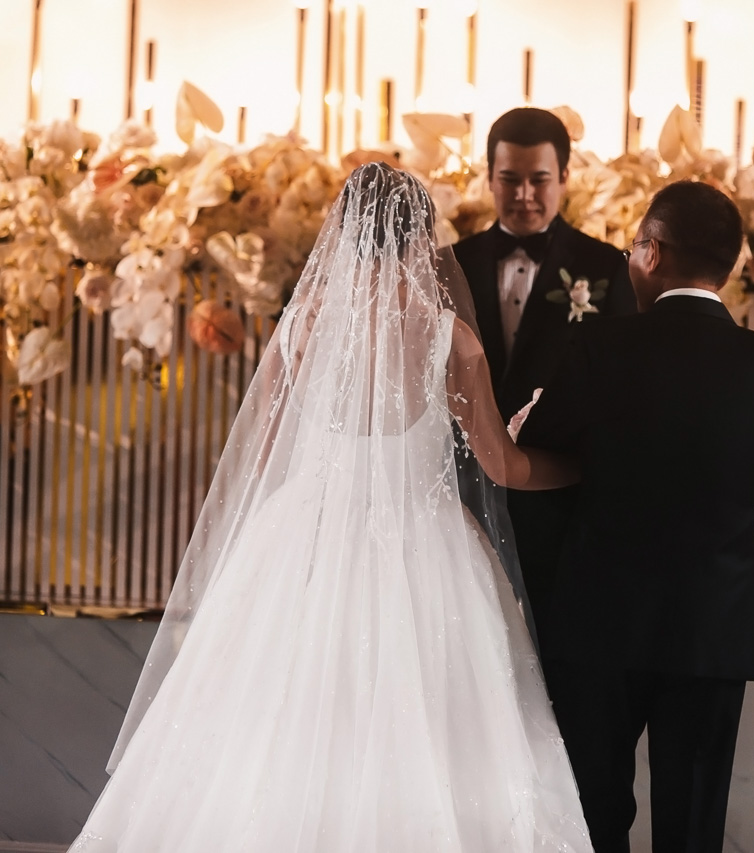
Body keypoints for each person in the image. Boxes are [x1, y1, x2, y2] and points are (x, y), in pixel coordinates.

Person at [67, 163, 592, 852]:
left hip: (301, 543)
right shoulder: (448, 337)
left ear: (342, 233)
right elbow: (504, 467)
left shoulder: (300, 328)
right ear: (421, 238)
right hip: (424, 550)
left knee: (276, 727)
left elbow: (262, 462)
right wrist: (580, 465)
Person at [516, 180, 754, 853]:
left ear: (652, 251)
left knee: (594, 816)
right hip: (712, 626)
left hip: (601, 621)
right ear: (727, 269)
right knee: (693, 824)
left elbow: (541, 453)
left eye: (633, 248)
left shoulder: (598, 347)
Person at [453, 107, 636, 631]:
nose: (525, 195)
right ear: (489, 177)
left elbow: (623, 388)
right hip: (462, 499)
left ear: (565, 178)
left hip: (563, 502)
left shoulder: (606, 267)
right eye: (510, 179)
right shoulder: (448, 263)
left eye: (539, 180)